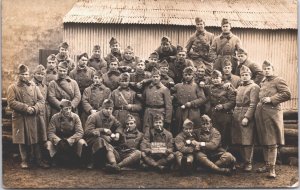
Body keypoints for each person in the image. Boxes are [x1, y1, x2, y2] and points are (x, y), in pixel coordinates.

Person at [7, 64, 49, 168]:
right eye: (23, 74)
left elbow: (41, 100)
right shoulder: (13, 87)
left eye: (27, 74)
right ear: (19, 75)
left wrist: (34, 108)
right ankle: (24, 160)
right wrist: (26, 108)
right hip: (21, 117)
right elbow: (11, 102)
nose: (25, 76)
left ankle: (38, 159)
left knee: (36, 139)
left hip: (34, 116)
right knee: (22, 140)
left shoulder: (34, 86)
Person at [255, 61, 291, 178]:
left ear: (273, 69)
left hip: (272, 115)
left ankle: (272, 169)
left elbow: (287, 94)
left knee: (272, 143)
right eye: (264, 69)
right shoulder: (263, 81)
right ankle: (267, 165)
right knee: (264, 142)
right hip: (261, 114)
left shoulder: (278, 80)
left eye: (268, 68)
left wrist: (271, 99)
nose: (266, 70)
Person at [232, 65, 260, 172]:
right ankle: (244, 161)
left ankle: (249, 163)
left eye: (246, 75)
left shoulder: (254, 87)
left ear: (250, 75)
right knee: (239, 139)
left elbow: (253, 104)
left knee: (247, 140)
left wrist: (247, 117)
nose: (244, 76)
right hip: (237, 114)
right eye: (242, 75)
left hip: (246, 115)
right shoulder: (239, 87)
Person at [46, 99, 87, 167]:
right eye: (66, 109)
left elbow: (79, 132)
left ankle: (79, 161)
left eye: (69, 109)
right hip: (59, 142)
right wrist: (58, 141)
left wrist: (69, 140)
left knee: (82, 142)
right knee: (48, 144)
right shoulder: (55, 117)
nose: (68, 111)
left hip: (72, 141)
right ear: (61, 109)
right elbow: (50, 132)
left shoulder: (75, 117)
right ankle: (53, 160)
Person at [84, 99, 122, 170]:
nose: (109, 111)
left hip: (105, 142)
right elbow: (87, 132)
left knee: (115, 154)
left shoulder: (112, 118)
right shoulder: (94, 116)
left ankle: (112, 165)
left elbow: (119, 125)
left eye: (111, 109)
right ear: (102, 108)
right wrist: (103, 130)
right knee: (100, 141)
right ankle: (93, 161)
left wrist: (118, 133)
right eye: (106, 108)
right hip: (91, 141)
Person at [204, 70, 236, 148]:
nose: (215, 80)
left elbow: (233, 101)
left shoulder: (227, 87)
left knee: (225, 134)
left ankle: (225, 150)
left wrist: (223, 106)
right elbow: (202, 87)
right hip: (214, 114)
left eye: (217, 78)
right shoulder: (210, 88)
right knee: (215, 133)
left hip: (225, 114)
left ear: (221, 78)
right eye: (213, 78)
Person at [171, 66, 206, 135]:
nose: (187, 76)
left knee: (192, 130)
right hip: (181, 111)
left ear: (193, 76)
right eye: (185, 75)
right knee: (180, 128)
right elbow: (172, 93)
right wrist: (173, 97)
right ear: (183, 75)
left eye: (189, 75)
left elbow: (202, 99)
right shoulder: (178, 86)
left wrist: (191, 103)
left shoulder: (197, 86)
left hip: (193, 112)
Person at [142, 68, 172, 132]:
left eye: (157, 76)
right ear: (151, 77)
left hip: (160, 113)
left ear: (160, 77)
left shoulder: (165, 89)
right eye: (154, 76)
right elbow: (143, 101)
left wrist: (167, 119)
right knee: (147, 131)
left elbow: (168, 106)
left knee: (158, 131)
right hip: (148, 113)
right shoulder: (147, 88)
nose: (155, 78)